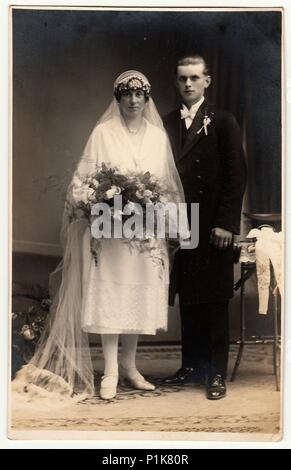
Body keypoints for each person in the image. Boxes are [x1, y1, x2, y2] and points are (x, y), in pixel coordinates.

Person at [12, 70, 184, 402]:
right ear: (117, 98)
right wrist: (99, 198)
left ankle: (130, 366)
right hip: (110, 232)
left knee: (138, 296)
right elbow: (82, 181)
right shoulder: (103, 133)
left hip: (144, 232)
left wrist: (157, 207)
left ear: (146, 98)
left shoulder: (157, 137)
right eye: (126, 94)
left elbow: (165, 185)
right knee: (112, 297)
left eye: (139, 95)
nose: (133, 101)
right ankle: (110, 371)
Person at [161, 54, 247, 399]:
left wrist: (227, 223)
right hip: (182, 223)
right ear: (176, 81)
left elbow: (236, 175)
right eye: (182, 78)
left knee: (213, 300)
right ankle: (191, 366)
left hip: (213, 224)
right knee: (190, 298)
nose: (188, 84)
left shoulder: (223, 121)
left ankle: (215, 374)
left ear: (207, 81)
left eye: (195, 78)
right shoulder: (166, 122)